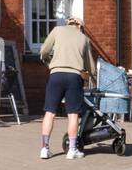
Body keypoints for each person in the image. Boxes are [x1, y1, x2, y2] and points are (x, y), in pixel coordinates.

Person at [39, 16, 96, 159]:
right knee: (73, 114)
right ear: (81, 27)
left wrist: (49, 61)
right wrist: (91, 76)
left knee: (50, 112)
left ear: (68, 23)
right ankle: (72, 149)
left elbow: (44, 50)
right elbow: (90, 65)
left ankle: (44, 149)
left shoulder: (57, 30)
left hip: (56, 74)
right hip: (74, 76)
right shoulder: (84, 39)